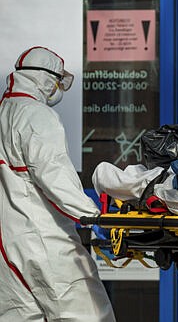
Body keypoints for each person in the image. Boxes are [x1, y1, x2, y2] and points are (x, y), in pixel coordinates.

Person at [0, 46, 115, 321]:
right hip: (45, 239)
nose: (58, 89)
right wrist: (94, 217)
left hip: (7, 244)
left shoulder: (4, 112)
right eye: (58, 81)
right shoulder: (38, 116)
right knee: (88, 314)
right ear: (45, 79)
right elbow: (54, 177)